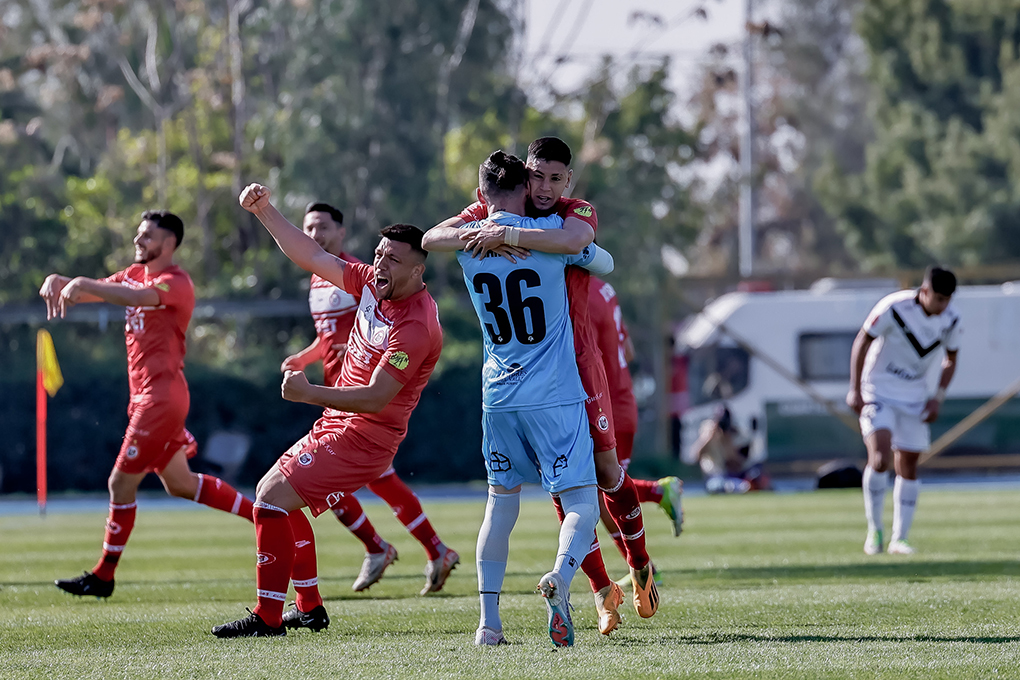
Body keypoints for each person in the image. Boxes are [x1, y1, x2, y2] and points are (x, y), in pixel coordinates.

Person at [427, 137, 657, 636]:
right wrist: (514, 232)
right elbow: (601, 262)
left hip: (508, 391)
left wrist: (499, 231)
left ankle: (492, 621)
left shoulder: (510, 227)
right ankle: (585, 587)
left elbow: (430, 241)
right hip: (558, 385)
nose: (547, 187)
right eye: (538, 177)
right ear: (525, 178)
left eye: (557, 178)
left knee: (561, 486)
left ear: (568, 181)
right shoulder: (546, 228)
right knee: (578, 499)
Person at [212, 185, 442, 638]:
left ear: (418, 271)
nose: (380, 264)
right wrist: (264, 211)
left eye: (393, 260)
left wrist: (308, 391)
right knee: (275, 498)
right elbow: (311, 256)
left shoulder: (417, 324)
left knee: (270, 498)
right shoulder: (370, 282)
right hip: (340, 425)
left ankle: (268, 617)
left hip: (365, 439)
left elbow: (377, 397)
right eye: (378, 253)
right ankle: (310, 607)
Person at [39, 211, 255, 599]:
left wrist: (83, 282)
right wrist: (62, 281)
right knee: (181, 484)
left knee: (119, 483)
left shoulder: (176, 282)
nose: (138, 241)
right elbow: (96, 292)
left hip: (160, 400)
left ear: (169, 243)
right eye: (138, 234)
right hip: (146, 398)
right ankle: (262, 516)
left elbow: (138, 298)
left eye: (147, 236)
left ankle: (104, 575)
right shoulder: (133, 273)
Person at [283, 201, 458, 595]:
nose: (316, 235)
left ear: (341, 233)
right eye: (309, 227)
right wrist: (307, 358)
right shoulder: (322, 280)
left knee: (321, 485)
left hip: (361, 402)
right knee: (337, 485)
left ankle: (390, 548)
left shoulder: (373, 280)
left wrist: (314, 390)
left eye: (324, 227)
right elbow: (329, 336)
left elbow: (380, 345)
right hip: (337, 396)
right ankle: (405, 548)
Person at [847, 266, 960, 556]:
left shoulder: (951, 320)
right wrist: (855, 389)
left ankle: (901, 538)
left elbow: (951, 359)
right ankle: (875, 531)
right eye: (938, 298)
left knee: (908, 464)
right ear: (924, 291)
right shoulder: (893, 307)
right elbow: (863, 339)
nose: (942, 305)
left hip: (914, 399)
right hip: (878, 391)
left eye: (947, 299)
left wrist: (937, 398)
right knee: (881, 458)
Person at [588, 276, 684, 557]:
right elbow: (627, 351)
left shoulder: (576, 293)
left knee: (601, 493)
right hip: (620, 399)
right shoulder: (603, 288)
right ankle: (658, 494)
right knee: (601, 489)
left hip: (607, 407)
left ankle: (643, 569)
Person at [693, 405, 768, 494]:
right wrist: (708, 438)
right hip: (714, 476)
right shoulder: (707, 431)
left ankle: (747, 487)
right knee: (719, 484)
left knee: (755, 474)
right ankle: (743, 487)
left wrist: (727, 444)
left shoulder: (734, 434)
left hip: (732, 474)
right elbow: (695, 457)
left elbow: (737, 465)